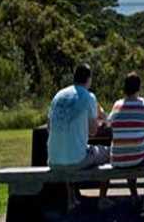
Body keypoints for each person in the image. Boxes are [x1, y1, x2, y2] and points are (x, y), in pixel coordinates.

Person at [47, 63, 110, 211]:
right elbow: (93, 132)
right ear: (89, 79)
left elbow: (49, 127)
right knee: (107, 153)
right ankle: (102, 199)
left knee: (71, 149)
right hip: (77, 160)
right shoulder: (88, 97)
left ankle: (71, 199)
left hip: (53, 160)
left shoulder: (58, 96)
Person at [107, 72, 144, 214]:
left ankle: (134, 194)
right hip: (137, 157)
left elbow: (110, 125)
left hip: (117, 159)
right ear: (139, 88)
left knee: (128, 148)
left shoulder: (116, 106)